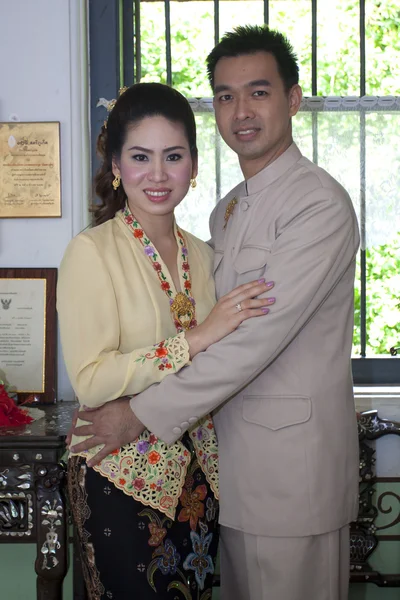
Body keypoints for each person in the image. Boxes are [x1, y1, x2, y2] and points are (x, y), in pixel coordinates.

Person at [71, 25, 360, 600]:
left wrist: (140, 415)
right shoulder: (226, 214)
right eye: (225, 96)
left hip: (288, 473)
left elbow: (254, 339)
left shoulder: (318, 205)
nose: (241, 111)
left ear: (294, 99)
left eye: (258, 91)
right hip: (217, 472)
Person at [58, 82, 274, 600]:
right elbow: (92, 380)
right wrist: (195, 339)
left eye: (173, 156)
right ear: (116, 164)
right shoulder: (92, 253)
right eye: (140, 157)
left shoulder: (205, 255)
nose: (157, 175)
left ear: (194, 165)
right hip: (119, 475)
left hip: (199, 480)